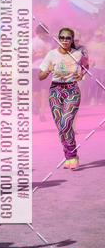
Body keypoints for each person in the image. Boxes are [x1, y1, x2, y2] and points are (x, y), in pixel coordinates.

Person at [38, 27, 87, 169]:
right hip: (55, 91)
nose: (65, 40)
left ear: (72, 40)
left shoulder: (78, 54)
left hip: (72, 90)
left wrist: (81, 74)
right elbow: (40, 76)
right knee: (61, 126)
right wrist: (47, 71)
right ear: (58, 39)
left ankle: (72, 155)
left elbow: (87, 66)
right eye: (62, 38)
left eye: (68, 38)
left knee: (65, 123)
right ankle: (70, 156)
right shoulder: (51, 55)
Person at [32, 26, 52, 122]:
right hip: (35, 68)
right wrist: (37, 53)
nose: (44, 35)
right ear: (38, 33)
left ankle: (42, 113)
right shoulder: (33, 42)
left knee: (44, 92)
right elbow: (28, 56)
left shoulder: (50, 41)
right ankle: (38, 106)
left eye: (45, 33)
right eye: (42, 33)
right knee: (36, 93)